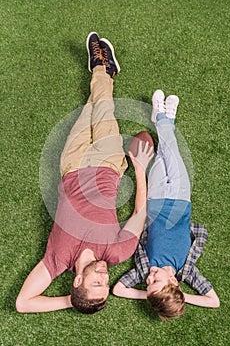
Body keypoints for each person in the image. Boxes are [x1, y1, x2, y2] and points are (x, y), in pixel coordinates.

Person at [16, 32, 154, 314]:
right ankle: (99, 66)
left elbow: (23, 304)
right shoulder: (117, 252)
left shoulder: (57, 260)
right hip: (107, 163)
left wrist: (72, 301)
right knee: (103, 105)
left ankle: (107, 70)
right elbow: (139, 213)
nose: (105, 278)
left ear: (78, 280)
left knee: (90, 107)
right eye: (106, 284)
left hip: (72, 164)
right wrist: (139, 168)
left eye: (96, 283)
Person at [113, 90, 220, 320]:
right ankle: (163, 119)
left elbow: (118, 289)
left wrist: (152, 295)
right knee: (172, 153)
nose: (149, 278)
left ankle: (164, 119)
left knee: (163, 155)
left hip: (157, 197)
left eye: (148, 284)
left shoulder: (145, 266)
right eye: (155, 281)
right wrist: (179, 294)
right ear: (173, 281)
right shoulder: (187, 269)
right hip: (182, 196)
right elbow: (214, 301)